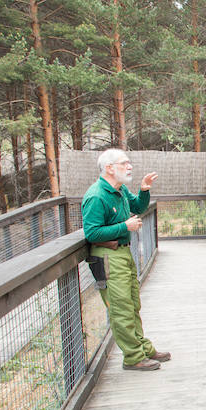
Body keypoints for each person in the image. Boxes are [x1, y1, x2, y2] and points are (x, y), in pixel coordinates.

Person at [82, 149, 169, 371]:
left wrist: (144, 190)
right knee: (121, 308)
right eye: (124, 163)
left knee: (132, 304)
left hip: (123, 253)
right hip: (108, 256)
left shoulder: (119, 191)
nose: (129, 166)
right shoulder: (96, 195)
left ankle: (142, 348)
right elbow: (92, 233)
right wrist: (124, 226)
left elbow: (138, 207)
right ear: (109, 168)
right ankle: (133, 357)